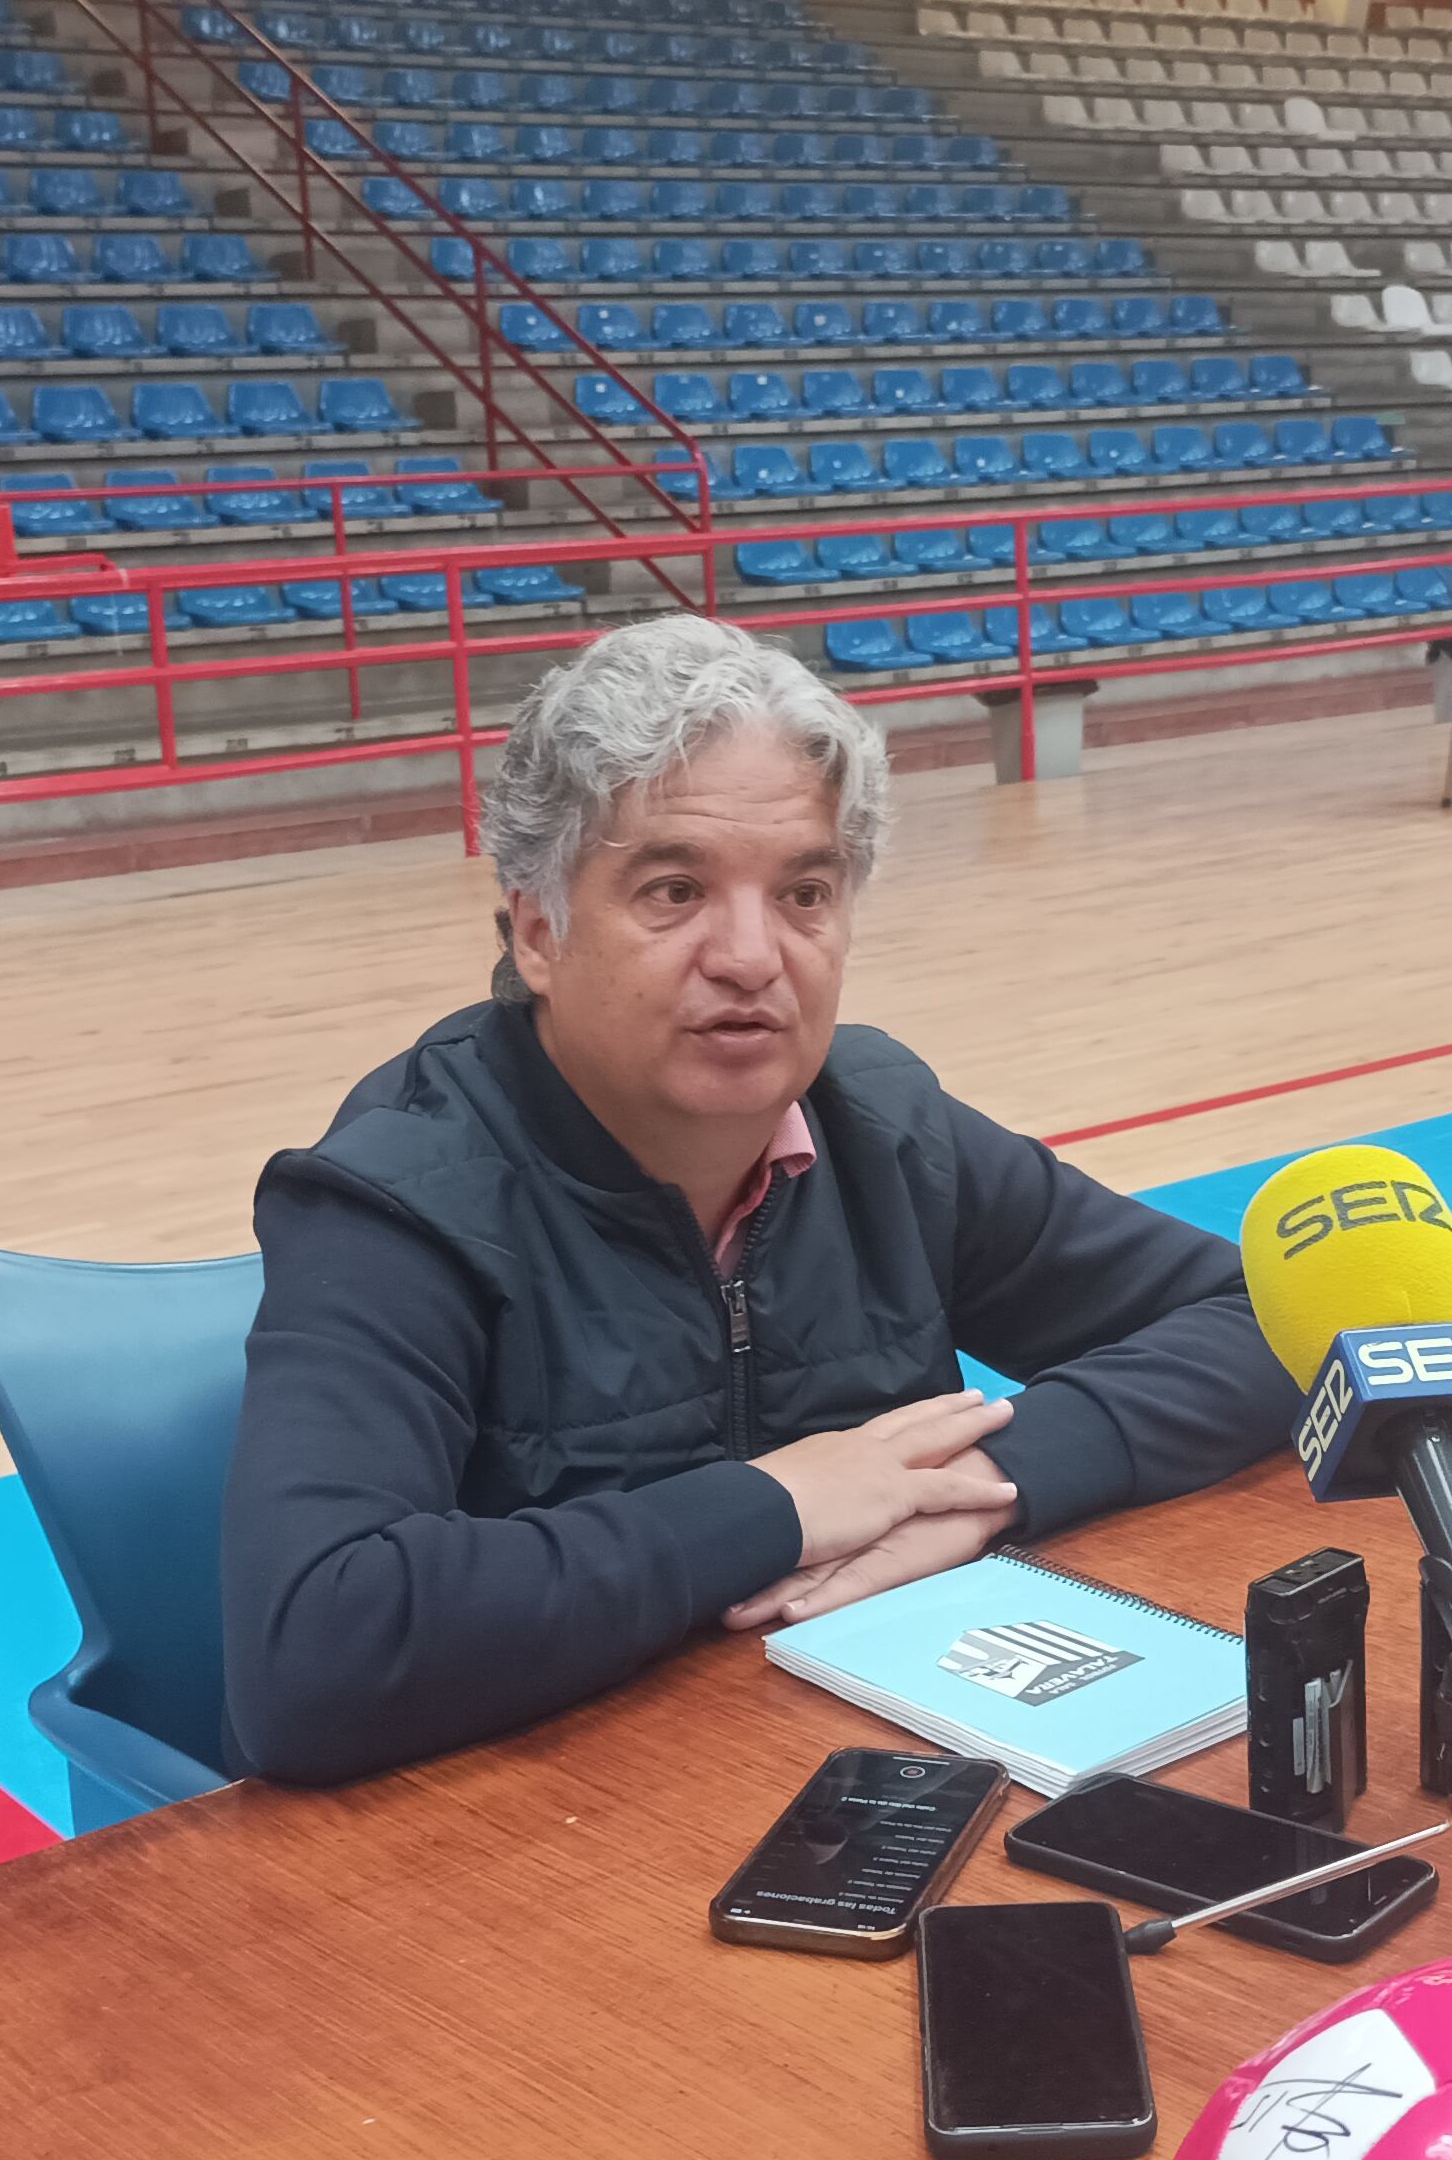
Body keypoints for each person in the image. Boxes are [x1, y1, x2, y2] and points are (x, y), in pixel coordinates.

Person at [221, 614, 1299, 1783]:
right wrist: (777, 1505)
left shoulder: (882, 1129)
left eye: (804, 893)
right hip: (546, 1834)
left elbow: (1271, 1317)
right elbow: (313, 1652)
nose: (751, 955)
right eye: (674, 889)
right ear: (539, 928)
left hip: (864, 1765)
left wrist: (992, 1481)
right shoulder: (396, 1201)